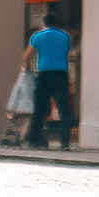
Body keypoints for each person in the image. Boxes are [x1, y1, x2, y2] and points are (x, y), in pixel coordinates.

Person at [22, 10, 75, 149]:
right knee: (64, 109)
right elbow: (67, 52)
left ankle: (35, 140)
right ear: (57, 24)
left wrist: (26, 69)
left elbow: (28, 55)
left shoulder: (38, 36)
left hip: (44, 74)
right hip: (61, 74)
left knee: (39, 108)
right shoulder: (65, 37)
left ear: (44, 23)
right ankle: (65, 143)